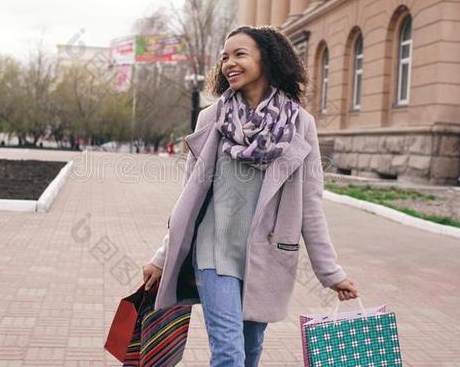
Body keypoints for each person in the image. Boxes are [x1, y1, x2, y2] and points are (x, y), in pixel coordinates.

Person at [142, 26, 359, 367]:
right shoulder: (212, 118)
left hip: (267, 256)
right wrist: (161, 256)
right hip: (214, 253)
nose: (229, 63)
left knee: (251, 349)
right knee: (229, 353)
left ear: (267, 60)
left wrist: (330, 273)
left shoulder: (300, 125)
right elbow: (188, 202)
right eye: (225, 57)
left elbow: (311, 205)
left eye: (240, 54)